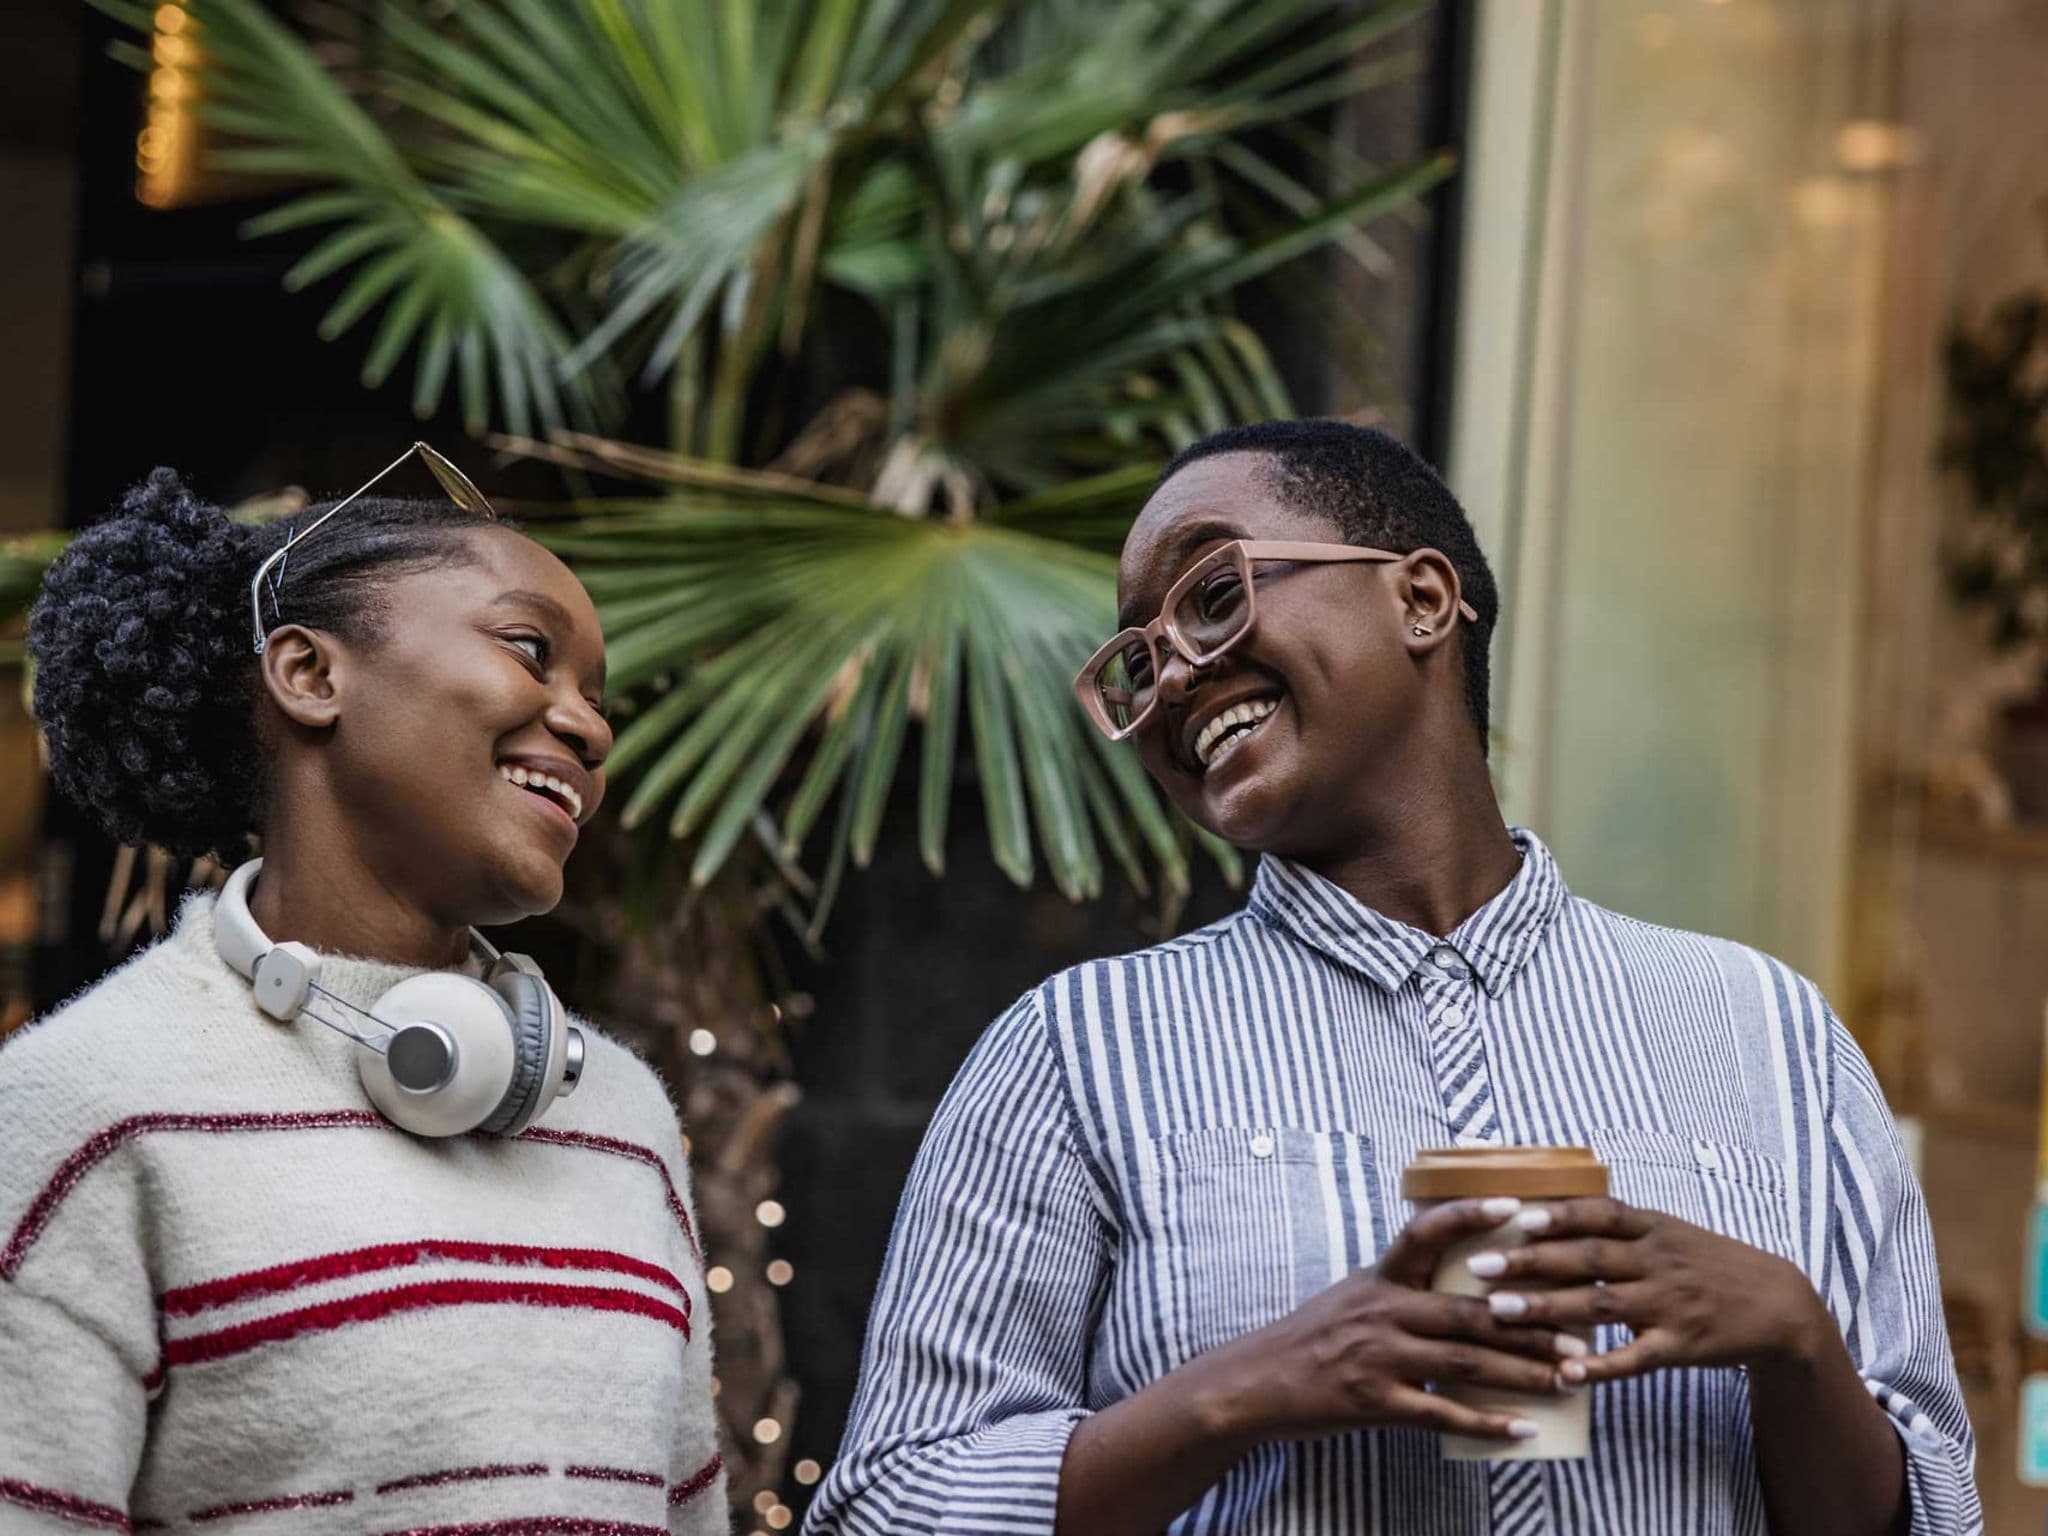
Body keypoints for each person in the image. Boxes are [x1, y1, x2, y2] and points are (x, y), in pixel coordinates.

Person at [805, 420, 1977, 1535]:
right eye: (1137, 657)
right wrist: (1256, 1385)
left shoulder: (1768, 1037)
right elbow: (888, 1505)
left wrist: (1791, 1339)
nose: (1168, 678)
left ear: (1420, 599)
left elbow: (1926, 1513)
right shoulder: (1071, 1053)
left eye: (1212, 597)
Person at [0, 450, 726, 1532]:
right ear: (308, 675)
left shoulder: (620, 1117)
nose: (589, 726)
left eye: (595, 696)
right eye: (532, 652)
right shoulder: (85, 1110)